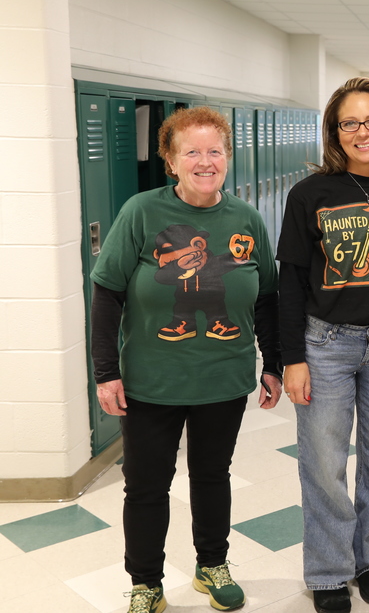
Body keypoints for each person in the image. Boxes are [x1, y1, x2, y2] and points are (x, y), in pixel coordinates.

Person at [90, 106, 283, 613]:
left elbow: (267, 297)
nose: (204, 161)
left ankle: (211, 565)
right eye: (191, 151)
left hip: (223, 377)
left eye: (214, 151)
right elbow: (107, 293)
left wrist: (273, 363)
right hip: (152, 380)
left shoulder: (246, 218)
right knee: (146, 486)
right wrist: (105, 373)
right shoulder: (141, 212)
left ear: (228, 158)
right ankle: (146, 584)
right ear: (171, 161)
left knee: (213, 475)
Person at [276, 77, 369, 613]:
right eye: (350, 123)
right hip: (326, 344)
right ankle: (327, 571)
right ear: (334, 131)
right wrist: (293, 359)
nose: (363, 132)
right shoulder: (309, 195)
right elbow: (291, 281)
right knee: (323, 463)